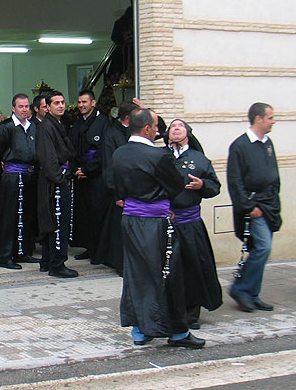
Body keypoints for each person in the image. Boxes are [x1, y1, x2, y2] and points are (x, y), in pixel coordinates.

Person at [112, 108, 204, 348]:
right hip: (155, 221)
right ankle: (176, 331)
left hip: (130, 220)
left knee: (136, 273)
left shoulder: (119, 154)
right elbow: (176, 186)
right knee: (168, 273)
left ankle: (140, 329)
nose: (157, 131)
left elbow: (118, 187)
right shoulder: (157, 156)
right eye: (155, 126)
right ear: (146, 129)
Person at [165, 119, 222, 329]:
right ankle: (168, 310)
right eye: (172, 126)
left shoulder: (199, 159)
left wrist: (202, 185)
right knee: (168, 269)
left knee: (192, 268)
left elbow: (215, 187)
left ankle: (191, 314)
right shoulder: (161, 157)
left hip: (190, 223)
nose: (176, 129)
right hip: (166, 223)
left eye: (180, 126)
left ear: (188, 132)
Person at [227, 103, 280, 312]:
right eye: (270, 117)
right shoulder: (240, 145)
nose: (273, 121)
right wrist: (248, 206)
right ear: (259, 119)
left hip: (269, 203)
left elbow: (273, 174)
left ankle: (252, 293)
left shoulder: (268, 144)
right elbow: (235, 180)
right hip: (254, 205)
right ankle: (240, 288)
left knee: (263, 250)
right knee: (263, 247)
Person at [0, 94, 39, 269]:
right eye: (21, 107)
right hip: (12, 176)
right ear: (13, 108)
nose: (24, 110)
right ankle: (5, 254)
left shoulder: (33, 127)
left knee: (26, 214)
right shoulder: (7, 127)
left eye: (27, 106)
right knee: (10, 216)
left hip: (29, 176)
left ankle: (22, 251)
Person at [36, 90, 79, 278]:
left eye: (62, 102)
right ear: (48, 107)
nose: (61, 106)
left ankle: (47, 261)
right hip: (54, 181)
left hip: (58, 177)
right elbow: (48, 158)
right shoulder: (46, 127)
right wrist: (61, 179)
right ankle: (57, 264)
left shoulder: (58, 124)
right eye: (56, 103)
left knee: (52, 221)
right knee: (58, 222)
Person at [93, 101, 139, 274]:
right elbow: (109, 165)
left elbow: (160, 130)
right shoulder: (112, 134)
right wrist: (117, 193)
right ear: (128, 117)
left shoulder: (136, 132)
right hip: (120, 191)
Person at [69, 89, 110, 261]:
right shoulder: (78, 123)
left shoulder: (103, 123)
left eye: (84, 102)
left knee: (97, 212)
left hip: (96, 175)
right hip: (80, 174)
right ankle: (89, 247)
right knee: (84, 213)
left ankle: (100, 251)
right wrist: (76, 169)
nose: (81, 105)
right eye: (79, 102)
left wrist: (88, 170)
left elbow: (104, 152)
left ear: (93, 103)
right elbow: (72, 147)